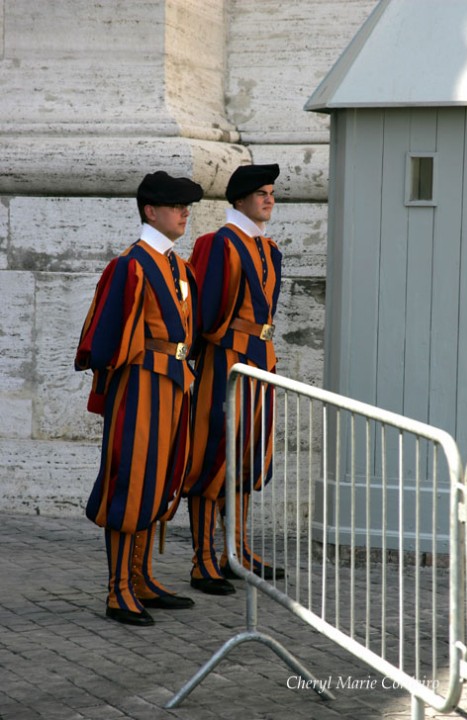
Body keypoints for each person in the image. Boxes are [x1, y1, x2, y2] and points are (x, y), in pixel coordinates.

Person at [75, 170, 203, 625]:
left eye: (187, 206)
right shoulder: (130, 264)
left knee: (162, 478)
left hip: (174, 386)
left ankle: (142, 577)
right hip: (141, 387)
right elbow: (105, 342)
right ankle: (117, 590)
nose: (185, 212)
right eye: (175, 205)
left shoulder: (178, 265)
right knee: (130, 482)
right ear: (151, 211)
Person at [184, 163, 284, 595]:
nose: (269, 199)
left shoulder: (267, 247)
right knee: (215, 453)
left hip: (260, 360)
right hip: (226, 361)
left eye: (271, 192)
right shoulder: (217, 243)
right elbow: (204, 314)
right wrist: (230, 344)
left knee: (248, 455)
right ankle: (203, 558)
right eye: (260, 192)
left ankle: (235, 551)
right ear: (240, 199)